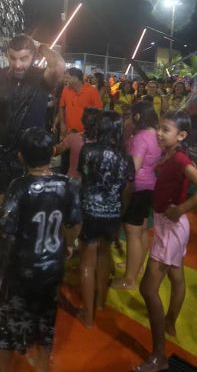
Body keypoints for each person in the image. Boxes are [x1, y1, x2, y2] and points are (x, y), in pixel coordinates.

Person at [0, 34, 65, 298]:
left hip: (32, 162)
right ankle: (1, 273)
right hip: (0, 158)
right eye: (14, 58)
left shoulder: (42, 77)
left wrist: (41, 45)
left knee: (31, 219)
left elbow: (59, 67)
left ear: (32, 57)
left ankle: (26, 272)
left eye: (24, 58)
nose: (18, 64)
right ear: (7, 55)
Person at [134, 111, 197, 372]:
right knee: (177, 276)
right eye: (159, 127)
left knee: (148, 290)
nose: (159, 133)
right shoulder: (169, 153)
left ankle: (159, 356)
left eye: (166, 129)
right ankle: (169, 322)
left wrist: (182, 208)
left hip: (172, 227)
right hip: (167, 224)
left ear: (181, 135)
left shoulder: (180, 158)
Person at [0, 127, 81, 372]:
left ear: (21, 156)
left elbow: (5, 227)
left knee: (8, 323)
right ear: (52, 153)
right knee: (45, 322)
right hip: (52, 266)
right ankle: (43, 366)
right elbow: (74, 222)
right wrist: (68, 245)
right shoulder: (67, 184)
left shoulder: (20, 186)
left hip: (23, 268)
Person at [75, 110, 133, 327]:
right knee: (104, 255)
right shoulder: (125, 157)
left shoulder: (88, 150)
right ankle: (100, 303)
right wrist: (119, 211)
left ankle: (88, 317)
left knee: (86, 264)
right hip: (113, 213)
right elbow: (128, 187)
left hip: (89, 211)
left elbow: (84, 178)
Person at [113, 101, 162, 290]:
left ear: (138, 116)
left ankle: (129, 279)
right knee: (141, 230)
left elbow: (133, 167)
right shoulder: (155, 135)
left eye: (131, 115)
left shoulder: (141, 137)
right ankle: (136, 266)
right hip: (150, 185)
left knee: (132, 232)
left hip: (137, 187)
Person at [59, 67, 103, 136]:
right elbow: (61, 106)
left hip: (85, 134)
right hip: (68, 132)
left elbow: (99, 112)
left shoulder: (92, 91)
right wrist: (62, 123)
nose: (65, 80)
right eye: (65, 78)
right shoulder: (66, 89)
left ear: (76, 79)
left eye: (67, 78)